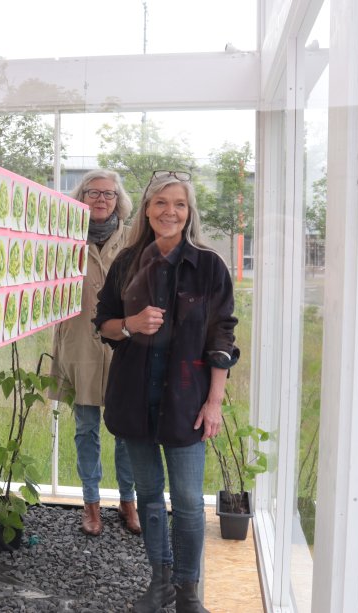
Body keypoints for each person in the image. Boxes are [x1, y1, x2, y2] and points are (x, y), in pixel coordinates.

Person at [94, 170, 238, 613]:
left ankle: (188, 592)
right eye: (160, 203)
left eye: (178, 203)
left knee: (191, 502)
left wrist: (214, 402)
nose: (169, 211)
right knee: (150, 495)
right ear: (146, 210)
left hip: (186, 403)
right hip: (134, 400)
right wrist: (130, 326)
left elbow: (222, 338)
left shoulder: (209, 265)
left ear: (188, 211)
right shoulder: (125, 263)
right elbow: (103, 323)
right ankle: (159, 583)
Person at [50, 169, 141, 536]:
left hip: (124, 342)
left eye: (109, 194)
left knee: (125, 429)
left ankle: (127, 501)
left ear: (119, 200)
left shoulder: (135, 240)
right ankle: (90, 504)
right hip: (78, 341)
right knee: (86, 427)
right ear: (81, 197)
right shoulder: (64, 238)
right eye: (93, 193)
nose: (101, 200)